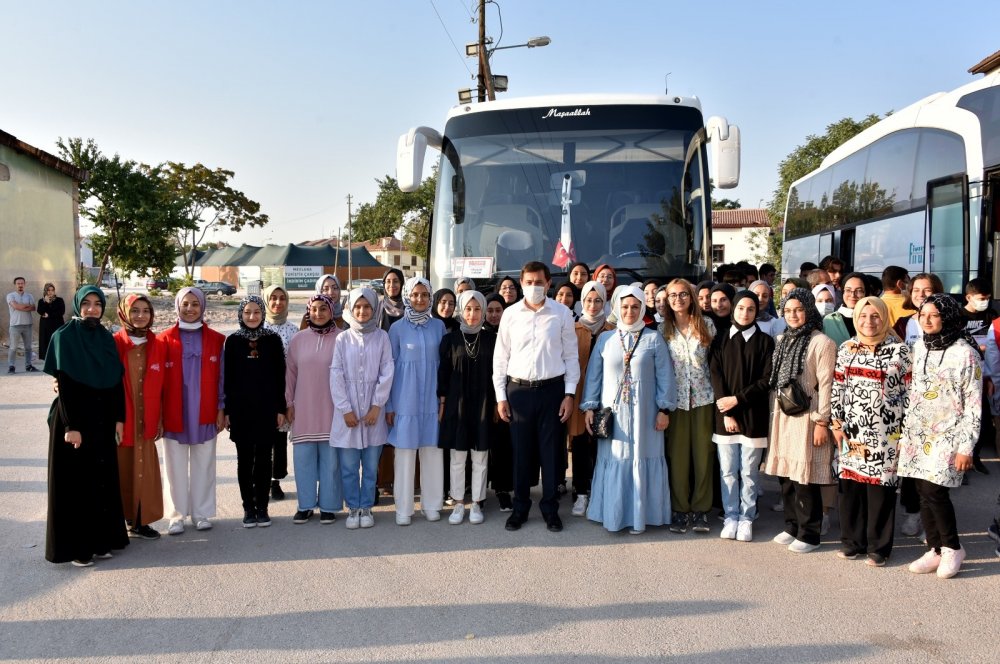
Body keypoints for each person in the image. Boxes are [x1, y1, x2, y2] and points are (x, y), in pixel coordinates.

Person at [898, 294, 981, 578]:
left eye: (934, 315)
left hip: (950, 432)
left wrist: (966, 447)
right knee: (922, 490)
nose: (928, 320)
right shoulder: (920, 347)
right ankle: (934, 549)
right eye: (923, 315)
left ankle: (952, 548)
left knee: (936, 490)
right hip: (918, 432)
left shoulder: (965, 352)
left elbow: (973, 402)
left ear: (948, 317)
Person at [43, 285, 127, 566]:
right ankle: (78, 548)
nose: (92, 309)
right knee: (77, 485)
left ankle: (102, 541)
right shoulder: (65, 336)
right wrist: (71, 426)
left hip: (102, 420)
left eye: (97, 304)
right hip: (75, 420)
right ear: (78, 305)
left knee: (100, 481)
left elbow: (116, 382)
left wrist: (119, 419)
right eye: (87, 303)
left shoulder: (105, 337)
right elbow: (64, 385)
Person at [493, 261, 580, 533]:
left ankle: (550, 509)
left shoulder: (562, 314)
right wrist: (500, 396)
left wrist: (569, 395)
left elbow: (571, 357)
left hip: (552, 391)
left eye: (539, 282)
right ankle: (520, 508)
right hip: (518, 392)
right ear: (521, 284)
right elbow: (501, 358)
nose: (534, 287)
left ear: (549, 284)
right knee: (521, 453)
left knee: (551, 453)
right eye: (529, 282)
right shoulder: (510, 315)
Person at [582, 286, 675, 533]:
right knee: (615, 459)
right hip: (614, 416)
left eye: (635, 306)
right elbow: (594, 376)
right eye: (624, 306)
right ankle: (612, 514)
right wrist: (590, 407)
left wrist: (664, 409)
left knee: (644, 458)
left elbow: (665, 377)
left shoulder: (654, 339)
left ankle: (642, 515)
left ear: (643, 308)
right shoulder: (605, 339)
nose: (630, 311)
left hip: (646, 415)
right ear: (616, 308)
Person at [830, 297, 911, 566]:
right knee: (851, 488)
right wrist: (836, 425)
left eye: (875, 316)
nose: (868, 321)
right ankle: (852, 543)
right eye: (863, 316)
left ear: (885, 317)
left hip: (886, 433)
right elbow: (838, 388)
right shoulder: (847, 348)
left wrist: (904, 435)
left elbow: (909, 395)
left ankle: (879, 548)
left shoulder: (900, 351)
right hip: (852, 432)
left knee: (880, 490)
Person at [765, 287, 837, 554]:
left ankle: (810, 534)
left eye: (799, 309)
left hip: (808, 415)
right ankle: (791, 525)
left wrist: (822, 422)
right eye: (788, 310)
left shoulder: (822, 342)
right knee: (786, 476)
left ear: (809, 310)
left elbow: (827, 384)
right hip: (783, 415)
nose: (793, 315)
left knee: (805, 477)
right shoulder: (783, 338)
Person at [158, 287, 226, 535]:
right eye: (185, 304)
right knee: (174, 465)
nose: (190, 309)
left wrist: (221, 407)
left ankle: (201, 512)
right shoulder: (163, 339)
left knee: (204, 463)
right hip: (174, 411)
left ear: (203, 307)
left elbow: (222, 377)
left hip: (205, 410)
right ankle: (176, 515)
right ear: (177, 306)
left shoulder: (217, 340)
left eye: (195, 304)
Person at [709, 290, 774, 542]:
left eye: (750, 309)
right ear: (733, 309)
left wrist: (738, 400)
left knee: (749, 472)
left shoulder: (765, 342)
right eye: (740, 308)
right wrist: (727, 410)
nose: (744, 313)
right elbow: (716, 377)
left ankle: (747, 517)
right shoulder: (721, 339)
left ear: (756, 311)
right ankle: (730, 515)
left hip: (753, 416)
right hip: (725, 416)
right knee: (727, 470)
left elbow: (765, 380)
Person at [330, 288, 394, 529]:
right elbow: (335, 374)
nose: (362, 311)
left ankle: (366, 507)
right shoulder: (342, 338)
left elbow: (387, 371)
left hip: (372, 411)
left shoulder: (382, 337)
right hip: (348, 412)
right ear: (350, 309)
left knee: (369, 466)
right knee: (348, 467)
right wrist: (345, 409)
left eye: (367, 306)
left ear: (374, 309)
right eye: (358, 306)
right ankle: (352, 507)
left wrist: (377, 406)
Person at [387, 277, 447, 525]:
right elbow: (388, 368)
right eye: (415, 294)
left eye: (424, 294)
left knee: (432, 452)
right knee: (404, 455)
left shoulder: (438, 327)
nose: (420, 299)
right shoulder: (397, 329)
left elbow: (444, 366)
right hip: (405, 400)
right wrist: (389, 405)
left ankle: (432, 504)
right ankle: (404, 508)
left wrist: (443, 400)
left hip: (432, 401)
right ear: (407, 297)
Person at [224, 295, 287, 528]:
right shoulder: (232, 342)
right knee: (245, 461)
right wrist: (227, 411)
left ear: (263, 314)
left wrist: (280, 408)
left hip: (267, 409)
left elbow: (280, 376)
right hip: (241, 411)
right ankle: (248, 508)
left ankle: (262, 507)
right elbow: (227, 380)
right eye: (247, 312)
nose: (252, 317)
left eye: (257, 312)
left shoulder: (272, 339)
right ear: (241, 314)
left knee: (264, 459)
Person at [661, 278, 717, 534]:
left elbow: (716, 364)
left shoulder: (707, 326)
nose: (678, 299)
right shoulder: (663, 331)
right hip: (676, 402)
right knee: (678, 457)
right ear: (667, 300)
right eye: (673, 295)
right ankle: (680, 509)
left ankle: (702, 510)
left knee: (703, 456)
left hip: (704, 399)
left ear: (691, 297)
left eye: (683, 294)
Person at [439, 290, 496, 525]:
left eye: (477, 309)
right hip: (457, 405)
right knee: (457, 456)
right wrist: (442, 403)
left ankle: (477, 503)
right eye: (468, 309)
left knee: (481, 456)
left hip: (484, 403)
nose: (472, 314)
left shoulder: (492, 339)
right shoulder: (450, 340)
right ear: (461, 311)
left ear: (483, 311)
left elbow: (498, 374)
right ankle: (458, 502)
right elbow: (443, 376)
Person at [286, 294, 343, 525]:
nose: (318, 314)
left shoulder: (343, 338)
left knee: (331, 461)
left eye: (323, 309)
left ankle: (329, 506)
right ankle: (305, 505)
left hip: (333, 409)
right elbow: (290, 374)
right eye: (314, 309)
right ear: (308, 312)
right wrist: (289, 403)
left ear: (331, 311)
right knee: (303, 459)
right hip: (304, 409)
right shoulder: (298, 340)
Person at [113, 294, 166, 540]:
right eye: (135, 310)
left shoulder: (158, 343)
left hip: (148, 418)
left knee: (144, 468)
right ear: (124, 312)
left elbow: (166, 385)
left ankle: (141, 521)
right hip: (123, 418)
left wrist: (161, 418)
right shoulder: (114, 343)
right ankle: (121, 519)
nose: (140, 315)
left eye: (145, 310)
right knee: (123, 467)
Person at [568, 282, 614, 517]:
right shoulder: (573, 328)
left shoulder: (613, 330)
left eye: (598, 301)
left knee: (602, 444)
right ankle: (581, 492)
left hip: (607, 397)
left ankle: (601, 490)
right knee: (579, 444)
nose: (593, 305)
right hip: (578, 396)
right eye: (588, 300)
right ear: (582, 302)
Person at [262, 284, 298, 501]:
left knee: (279, 439)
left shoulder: (294, 331)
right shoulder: (259, 326)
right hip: (262, 393)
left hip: (284, 393)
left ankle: (275, 481)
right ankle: (262, 480)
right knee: (262, 439)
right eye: (273, 298)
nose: (277, 302)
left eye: (281, 298)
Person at [375, 267, 405, 501]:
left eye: (396, 281)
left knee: (401, 426)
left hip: (405, 373)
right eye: (388, 281)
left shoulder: (410, 309)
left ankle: (403, 480)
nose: (392, 285)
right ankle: (382, 480)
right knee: (383, 429)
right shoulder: (377, 309)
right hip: (382, 371)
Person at [961, 277, 996, 475]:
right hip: (965, 374)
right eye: (982, 298)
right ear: (969, 297)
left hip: (985, 373)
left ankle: (976, 457)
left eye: (988, 298)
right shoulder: (958, 315)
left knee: (982, 419)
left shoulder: (991, 314)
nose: (985, 302)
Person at [822, 272, 869, 347]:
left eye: (859, 290)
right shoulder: (829, 321)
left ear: (866, 293)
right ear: (842, 292)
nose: (853, 295)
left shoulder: (872, 319)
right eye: (848, 290)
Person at [7, 277, 37, 373]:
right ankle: (11, 366)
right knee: (13, 347)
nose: (20, 285)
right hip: (15, 325)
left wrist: (20, 307)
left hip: (28, 325)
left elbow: (33, 308)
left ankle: (29, 366)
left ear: (25, 284)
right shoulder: (10, 295)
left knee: (28, 347)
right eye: (18, 283)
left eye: (22, 283)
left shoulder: (29, 296)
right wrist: (25, 306)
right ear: (15, 285)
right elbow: (15, 306)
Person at [36, 282, 65, 362]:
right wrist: (47, 302)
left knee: (57, 341)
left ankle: (58, 358)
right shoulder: (41, 301)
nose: (50, 292)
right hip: (45, 326)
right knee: (46, 341)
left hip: (57, 324)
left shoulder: (59, 300)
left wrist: (49, 315)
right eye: (48, 290)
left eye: (52, 290)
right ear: (45, 291)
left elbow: (61, 312)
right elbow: (40, 311)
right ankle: (47, 359)